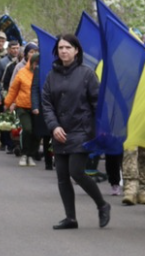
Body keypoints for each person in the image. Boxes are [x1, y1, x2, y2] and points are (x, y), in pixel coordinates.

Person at [42, 33, 110, 229]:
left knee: (76, 172)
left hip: (81, 131)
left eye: (68, 48)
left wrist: (100, 129)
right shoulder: (51, 75)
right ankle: (70, 218)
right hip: (60, 132)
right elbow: (47, 104)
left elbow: (98, 104)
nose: (64, 51)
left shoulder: (87, 74)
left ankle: (102, 205)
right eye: (61, 48)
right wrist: (54, 126)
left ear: (76, 51)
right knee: (62, 176)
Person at [5, 48, 40, 166]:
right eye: (35, 63)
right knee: (28, 129)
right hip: (23, 106)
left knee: (37, 133)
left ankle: (31, 155)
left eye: (39, 63)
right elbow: (13, 89)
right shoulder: (22, 72)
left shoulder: (42, 74)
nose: (36, 65)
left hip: (38, 108)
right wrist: (8, 103)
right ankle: (24, 154)